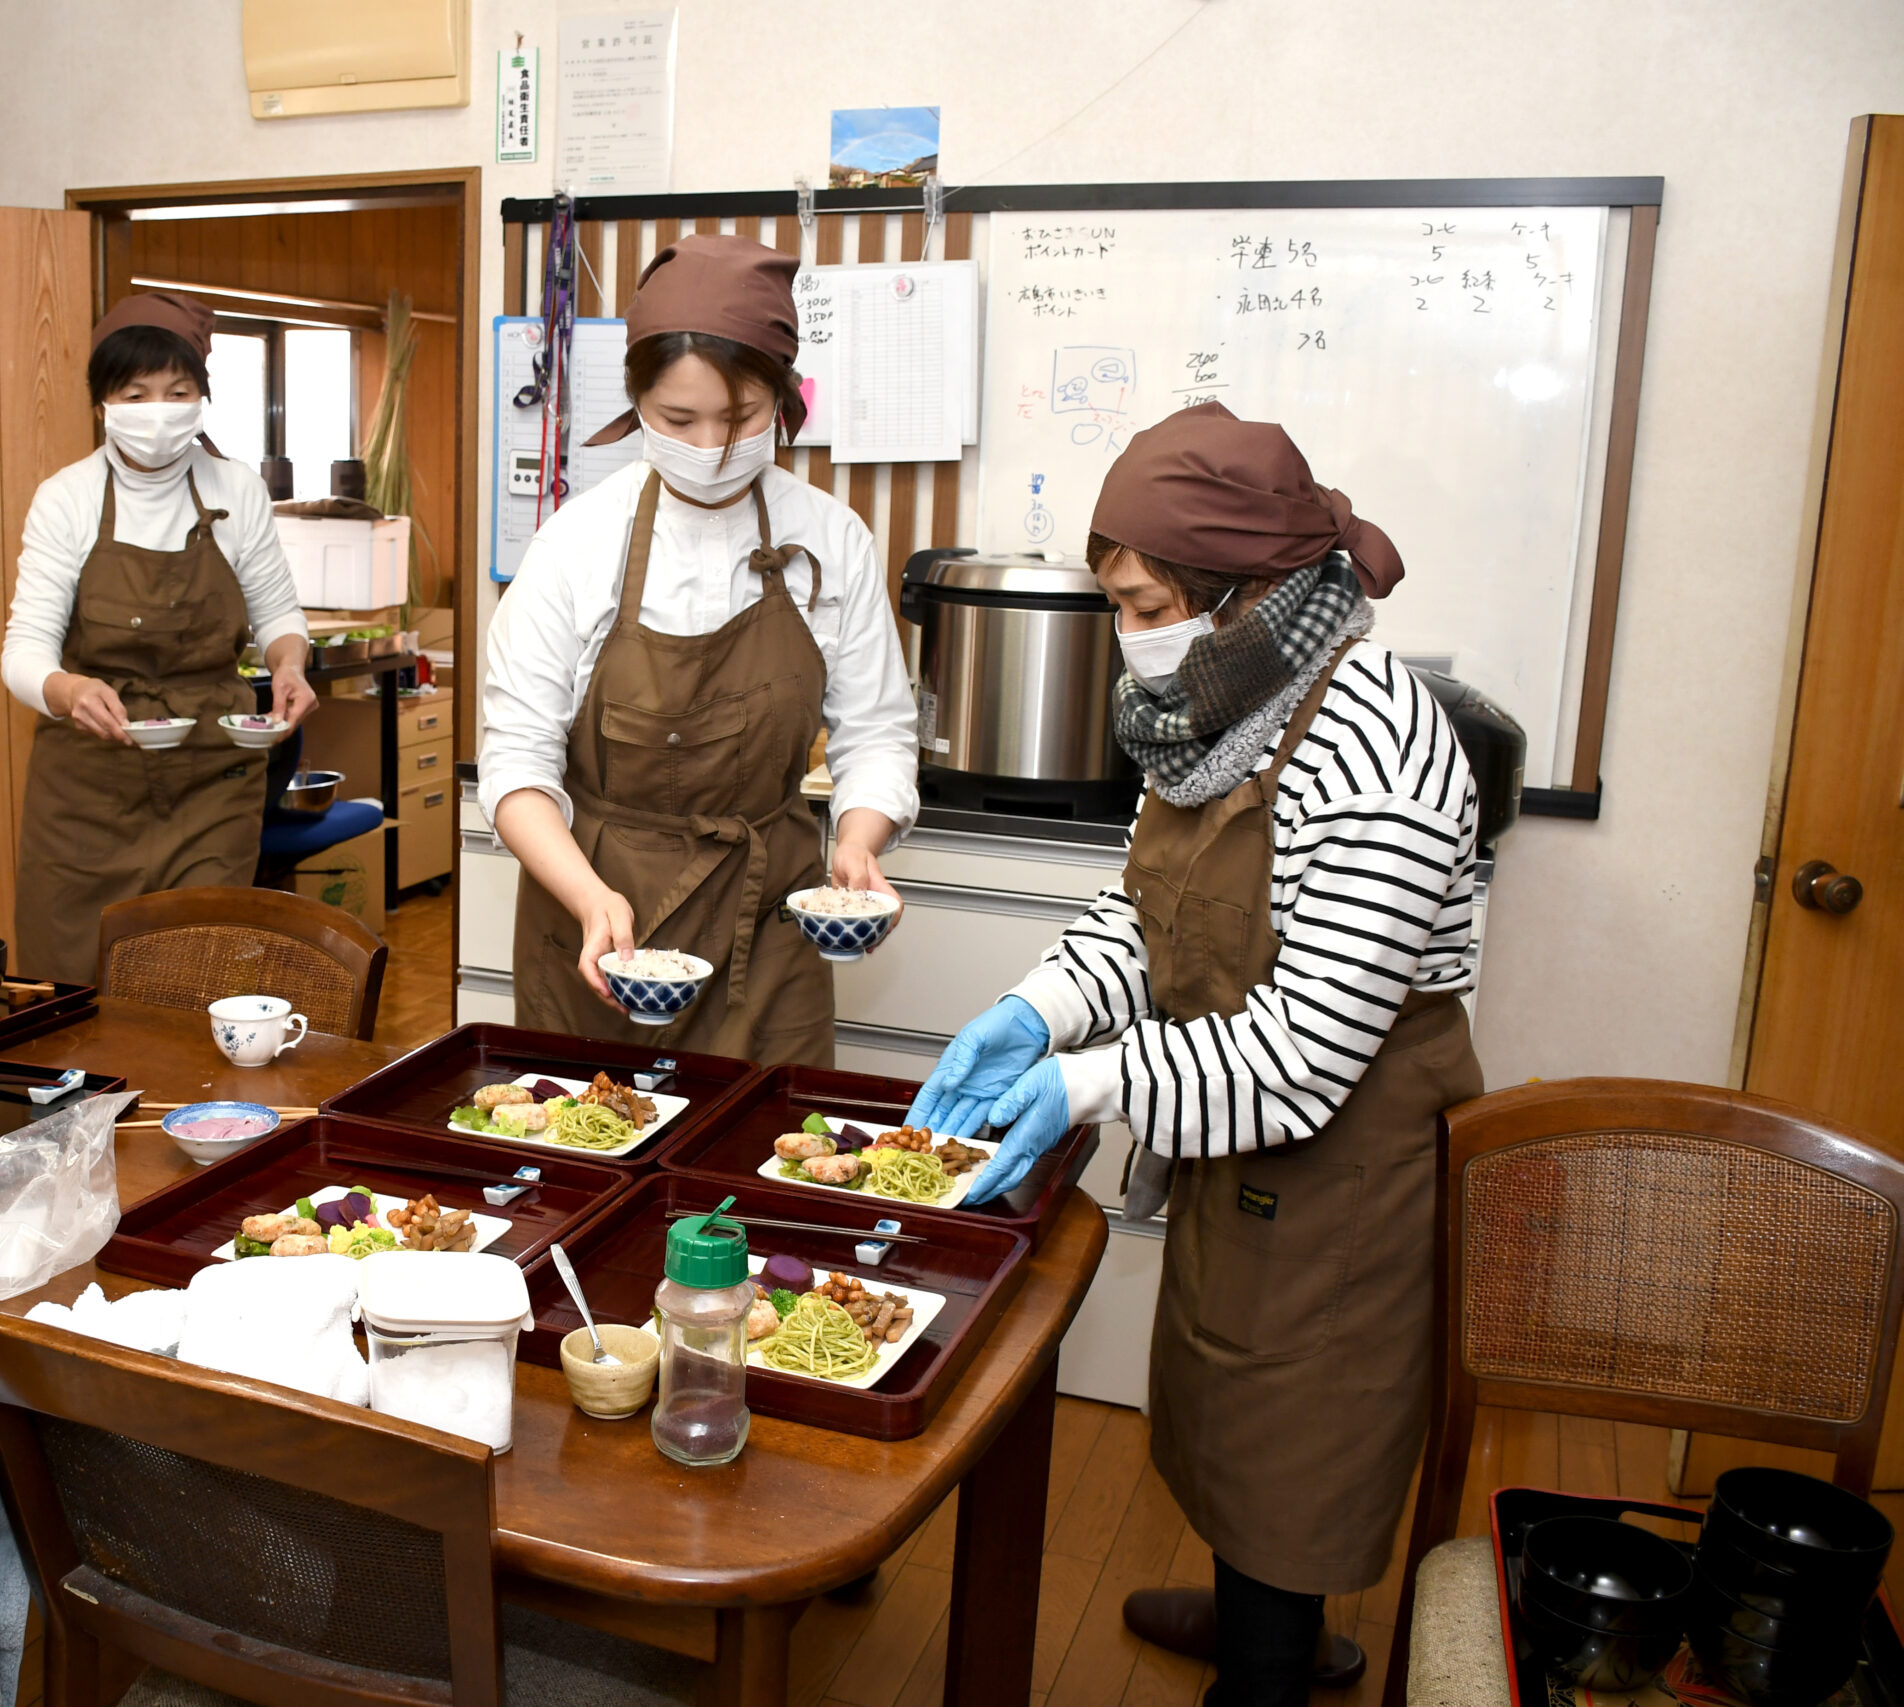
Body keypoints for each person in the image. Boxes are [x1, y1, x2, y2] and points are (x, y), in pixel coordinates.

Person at [908, 402, 1484, 1705]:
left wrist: (1089, 1081)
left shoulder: (1380, 745)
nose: (1130, 633)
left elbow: (1305, 1051)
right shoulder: (1220, 704)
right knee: (1228, 1374)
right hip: (1239, 1111)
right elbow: (1146, 912)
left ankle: (1273, 1667)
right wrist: (1043, 1008)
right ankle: (1257, 1619)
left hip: (1352, 1145)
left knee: (1301, 1411)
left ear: (1243, 597)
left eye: (1145, 602)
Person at [479, 235, 919, 1066]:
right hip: (598, 923)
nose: (712, 445)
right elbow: (516, 765)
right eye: (680, 419)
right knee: (585, 1157)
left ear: (783, 402)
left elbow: (878, 734)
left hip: (770, 922)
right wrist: (587, 895)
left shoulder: (831, 539)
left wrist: (859, 839)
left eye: (742, 417)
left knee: (769, 1166)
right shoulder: (578, 543)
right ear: (638, 401)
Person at [3, 292, 318, 984]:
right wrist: (69, 689)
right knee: (69, 988)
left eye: (177, 391)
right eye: (136, 393)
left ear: (201, 399)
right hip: (87, 792)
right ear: (102, 405)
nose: (158, 410)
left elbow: (278, 616)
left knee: (198, 979)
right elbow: (24, 651)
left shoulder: (236, 490)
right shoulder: (68, 497)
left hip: (214, 776)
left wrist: (289, 666)